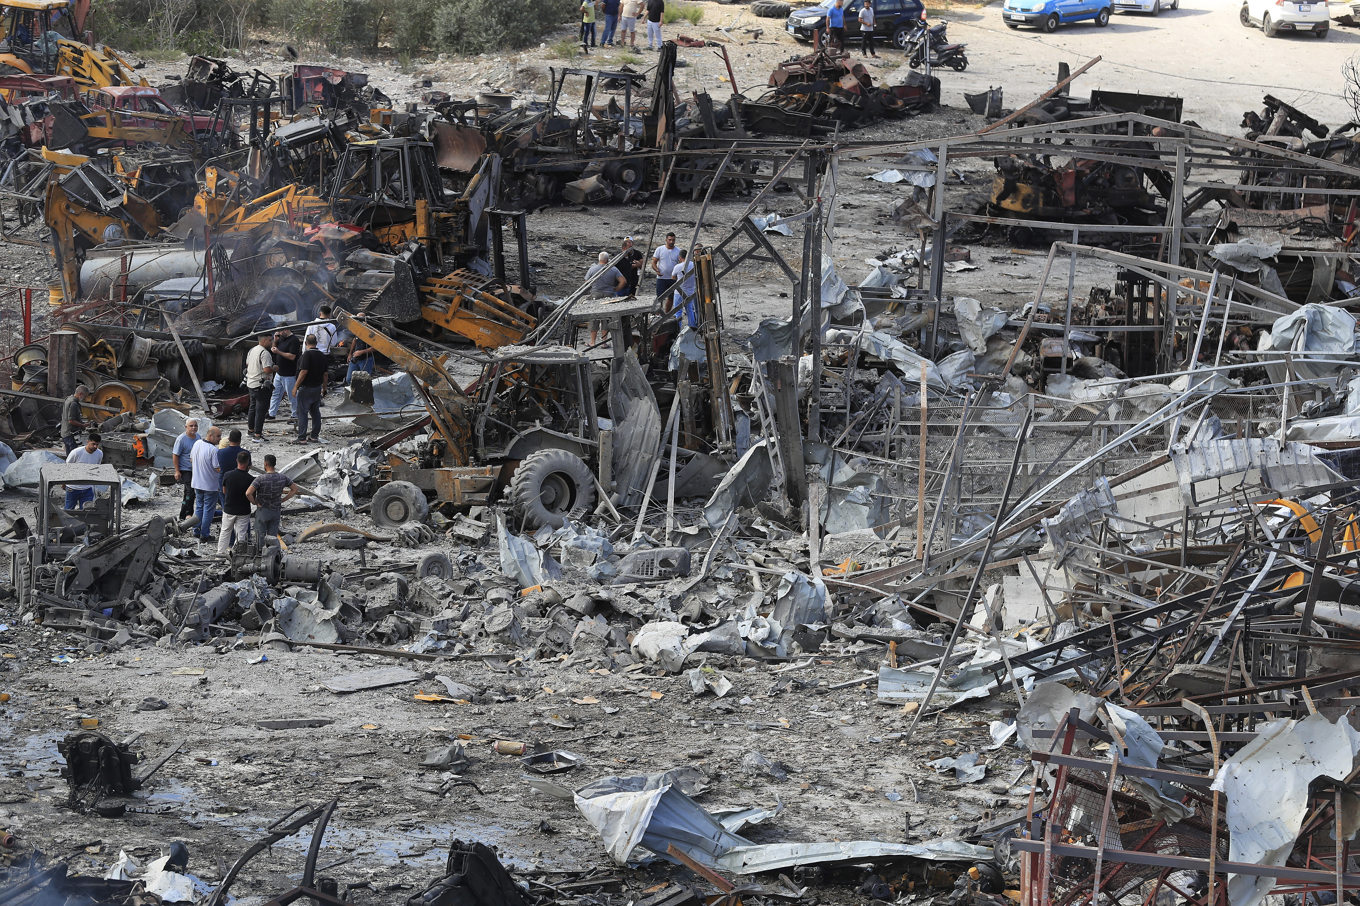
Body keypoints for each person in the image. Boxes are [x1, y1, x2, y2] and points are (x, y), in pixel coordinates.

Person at [246, 453, 299, 546]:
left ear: (265, 464)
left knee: (260, 535)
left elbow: (248, 493)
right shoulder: (283, 477)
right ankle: (271, 554)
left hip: (263, 510)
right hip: (276, 510)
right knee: (273, 536)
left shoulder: (260, 479)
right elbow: (294, 489)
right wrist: (283, 500)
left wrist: (254, 502)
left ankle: (260, 554)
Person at [292, 334, 329, 444]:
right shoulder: (322, 356)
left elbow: (303, 372)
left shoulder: (306, 355)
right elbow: (325, 374)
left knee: (302, 413)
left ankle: (302, 438)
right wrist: (324, 388)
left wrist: (295, 387)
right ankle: (314, 437)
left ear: (305, 343)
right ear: (316, 343)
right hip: (317, 388)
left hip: (306, 388)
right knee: (315, 412)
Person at [190, 425, 222, 542]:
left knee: (199, 507)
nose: (219, 439)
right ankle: (205, 534)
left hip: (197, 482)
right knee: (209, 509)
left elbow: (191, 459)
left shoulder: (197, 443)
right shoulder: (213, 450)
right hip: (209, 485)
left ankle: (196, 530)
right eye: (218, 436)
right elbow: (217, 468)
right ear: (210, 435)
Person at [218, 451, 254, 555]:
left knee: (225, 531)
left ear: (236, 461)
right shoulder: (250, 479)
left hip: (229, 508)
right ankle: (237, 555)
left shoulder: (228, 475)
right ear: (248, 463)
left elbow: (224, 491)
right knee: (241, 534)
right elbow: (251, 494)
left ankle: (220, 554)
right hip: (243, 510)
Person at [245, 332, 275, 442]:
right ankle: (257, 435)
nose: (271, 342)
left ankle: (251, 431)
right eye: (269, 340)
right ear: (263, 340)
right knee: (260, 411)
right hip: (261, 386)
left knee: (252, 408)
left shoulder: (252, 350)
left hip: (251, 383)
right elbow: (267, 369)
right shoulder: (265, 353)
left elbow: (247, 364)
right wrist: (274, 368)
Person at [269, 325, 301, 419]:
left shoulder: (294, 340)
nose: (279, 333)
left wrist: (279, 352)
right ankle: (272, 414)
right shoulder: (281, 338)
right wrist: (275, 340)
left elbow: (292, 356)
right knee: (275, 393)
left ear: (286, 330)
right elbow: (274, 349)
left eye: (280, 331)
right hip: (279, 373)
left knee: (292, 396)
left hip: (289, 374)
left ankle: (295, 415)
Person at [63, 433, 103, 510]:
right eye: (93, 444)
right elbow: (66, 467)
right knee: (68, 510)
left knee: (86, 512)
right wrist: (64, 482)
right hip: (72, 488)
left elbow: (97, 468)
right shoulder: (76, 452)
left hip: (87, 488)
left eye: (97, 445)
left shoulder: (99, 454)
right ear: (88, 442)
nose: (95, 447)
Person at [172, 419, 200, 520]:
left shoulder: (198, 437)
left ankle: (182, 515)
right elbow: (175, 455)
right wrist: (177, 471)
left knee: (187, 493)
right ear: (186, 427)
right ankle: (189, 514)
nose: (193, 428)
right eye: (191, 426)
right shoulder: (181, 439)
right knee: (191, 492)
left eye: (195, 426)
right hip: (185, 469)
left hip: (195, 469)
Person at [670, 249, 699, 328]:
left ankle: (678, 328)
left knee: (678, 312)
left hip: (679, 292)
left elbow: (673, 277)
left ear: (680, 257)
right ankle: (692, 326)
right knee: (689, 310)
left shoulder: (677, 266)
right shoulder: (694, 265)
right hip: (690, 292)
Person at [651, 232, 681, 301]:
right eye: (670, 240)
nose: (671, 242)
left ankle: (668, 311)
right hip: (662, 278)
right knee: (660, 298)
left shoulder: (678, 251)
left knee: (671, 298)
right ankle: (658, 311)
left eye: (673, 240)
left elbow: (681, 264)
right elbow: (653, 262)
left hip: (673, 279)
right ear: (666, 240)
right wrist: (656, 270)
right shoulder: (660, 249)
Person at [60, 385, 89, 455]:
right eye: (85, 396)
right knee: (74, 456)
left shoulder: (68, 399)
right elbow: (71, 421)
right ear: (80, 394)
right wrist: (83, 425)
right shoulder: (74, 404)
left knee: (69, 456)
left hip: (64, 432)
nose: (85, 398)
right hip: (69, 434)